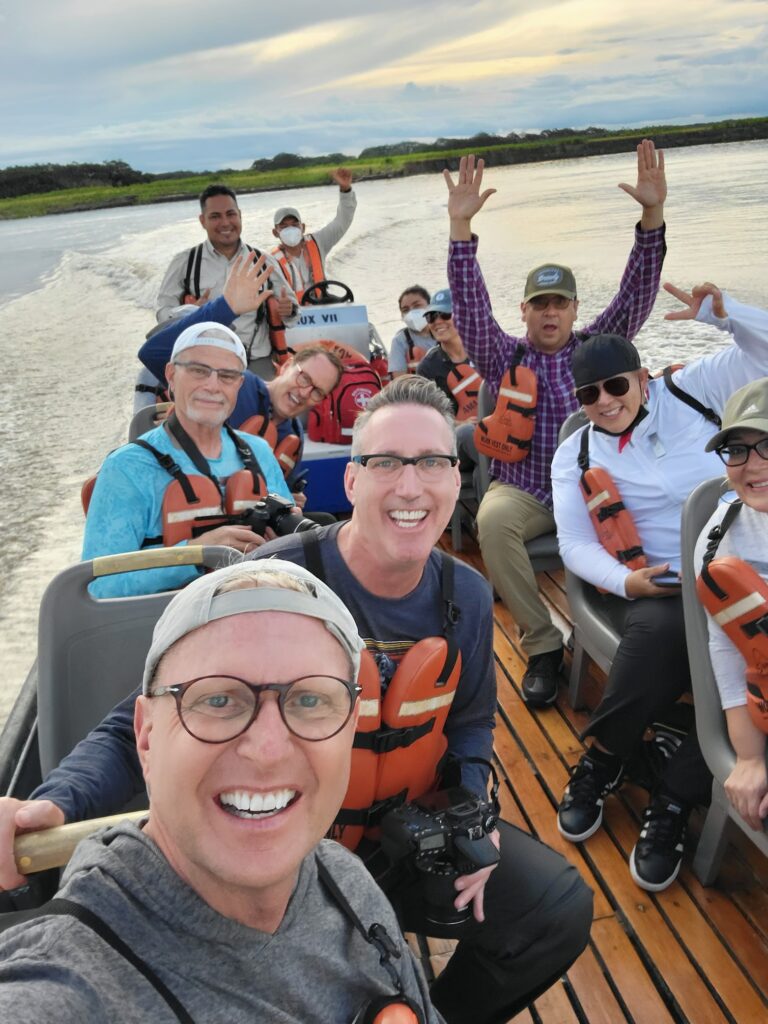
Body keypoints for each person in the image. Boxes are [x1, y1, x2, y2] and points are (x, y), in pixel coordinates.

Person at [1, 379, 593, 1024]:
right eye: (386, 462)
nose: (410, 486)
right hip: (283, 840)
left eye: (432, 462)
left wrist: (472, 818)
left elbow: (473, 722)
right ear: (352, 482)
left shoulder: (468, 596)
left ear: (456, 480)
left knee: (554, 911)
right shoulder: (275, 582)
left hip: (402, 831)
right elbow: (143, 719)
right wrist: (52, 802)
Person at [0, 560, 442, 1023]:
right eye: (218, 700)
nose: (268, 750)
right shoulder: (69, 985)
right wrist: (60, 797)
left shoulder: (345, 878)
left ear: (349, 729)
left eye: (310, 700)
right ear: (147, 737)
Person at [550, 283, 768, 891]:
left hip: (742, 561)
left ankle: (671, 801)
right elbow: (573, 545)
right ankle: (603, 760)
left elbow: (765, 361)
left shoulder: (694, 391)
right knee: (664, 639)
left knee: (746, 670)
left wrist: (728, 319)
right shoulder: (576, 453)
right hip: (665, 582)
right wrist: (628, 582)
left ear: (642, 377)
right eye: (589, 393)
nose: (604, 401)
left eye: (616, 385)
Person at [445, 142, 667, 707]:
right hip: (531, 489)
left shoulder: (603, 349)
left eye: (559, 303)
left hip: (600, 487)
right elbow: (470, 310)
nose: (549, 312)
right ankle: (544, 643)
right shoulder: (503, 357)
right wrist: (461, 229)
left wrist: (651, 217)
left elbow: (636, 293)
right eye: (539, 303)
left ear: (573, 309)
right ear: (524, 311)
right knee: (492, 522)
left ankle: (651, 638)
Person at [83, 321, 293, 598]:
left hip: (255, 610)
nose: (212, 386)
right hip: (159, 627)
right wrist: (197, 553)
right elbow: (100, 586)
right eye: (198, 371)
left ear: (239, 385)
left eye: (227, 376)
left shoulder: (260, 452)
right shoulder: (127, 468)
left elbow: (292, 549)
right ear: (171, 375)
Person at [141, 253, 343, 499]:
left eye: (317, 391)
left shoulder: (293, 437)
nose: (304, 393)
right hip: (189, 511)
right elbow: (153, 353)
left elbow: (275, 492)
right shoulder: (234, 383)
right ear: (286, 365)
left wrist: (290, 500)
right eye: (304, 378)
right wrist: (227, 307)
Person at [694, 377, 768, 832]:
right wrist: (749, 757)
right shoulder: (721, 536)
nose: (751, 465)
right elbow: (726, 649)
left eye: (767, 445)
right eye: (737, 450)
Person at [155, 184, 299, 374]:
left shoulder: (264, 261)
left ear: (240, 215)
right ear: (202, 220)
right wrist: (189, 314)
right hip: (204, 363)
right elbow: (163, 312)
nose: (225, 223)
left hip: (256, 360)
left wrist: (287, 310)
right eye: (215, 216)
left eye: (231, 214)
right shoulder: (185, 263)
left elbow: (293, 308)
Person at [415, 287, 481, 477]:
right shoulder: (428, 367)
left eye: (445, 314)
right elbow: (426, 421)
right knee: (468, 433)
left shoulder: (485, 351)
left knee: (480, 474)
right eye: (431, 317)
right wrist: (459, 423)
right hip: (452, 442)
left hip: (493, 432)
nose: (438, 322)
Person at [271, 167, 357, 302]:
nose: (290, 229)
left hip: (322, 307)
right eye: (283, 226)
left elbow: (343, 221)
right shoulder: (269, 261)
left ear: (303, 227)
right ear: (275, 233)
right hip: (293, 316)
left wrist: (345, 191)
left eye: (294, 225)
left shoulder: (319, 242)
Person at [388, 285, 433, 378]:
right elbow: (399, 380)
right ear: (402, 316)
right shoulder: (399, 341)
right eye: (406, 310)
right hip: (419, 390)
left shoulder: (445, 332)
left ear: (430, 306)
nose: (412, 312)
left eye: (417, 306)